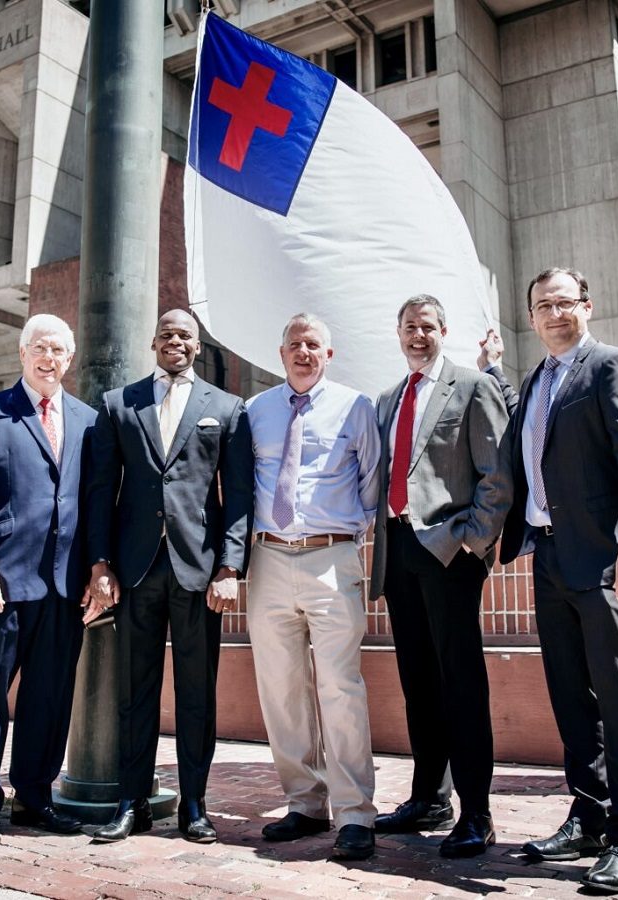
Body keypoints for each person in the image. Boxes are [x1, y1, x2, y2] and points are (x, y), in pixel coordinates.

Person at [501, 267, 618, 894]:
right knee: (571, 697)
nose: (555, 313)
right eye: (543, 305)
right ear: (532, 316)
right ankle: (589, 817)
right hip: (548, 556)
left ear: (587, 306)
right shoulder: (536, 380)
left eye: (565, 303)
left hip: (603, 559)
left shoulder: (612, 366)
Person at [85, 309, 254, 845]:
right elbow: (100, 491)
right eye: (166, 334)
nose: (174, 341)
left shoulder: (226, 409)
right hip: (134, 570)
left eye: (184, 335)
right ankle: (131, 802)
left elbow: (240, 497)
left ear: (197, 347)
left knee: (197, 693)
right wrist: (100, 563)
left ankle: (195, 805)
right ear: (152, 342)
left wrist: (229, 566)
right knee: (134, 692)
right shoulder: (118, 404)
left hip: (198, 571)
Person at [369, 295, 511, 858]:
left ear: (443, 331)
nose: (418, 336)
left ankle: (476, 810)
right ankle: (428, 796)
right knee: (418, 681)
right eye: (409, 327)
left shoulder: (473, 386)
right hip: (397, 550)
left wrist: (472, 540)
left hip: (447, 550)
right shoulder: (387, 398)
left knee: (461, 682)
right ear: (398, 332)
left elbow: (497, 474)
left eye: (427, 327)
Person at [0, 313, 96, 848]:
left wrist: (96, 572)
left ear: (69, 359)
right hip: (1, 582)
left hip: (64, 586)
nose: (49, 358)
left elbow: (93, 501)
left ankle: (34, 798)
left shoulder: (87, 420)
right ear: (22, 353)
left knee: (49, 697)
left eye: (58, 350)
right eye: (39, 347)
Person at [246, 314, 381, 861]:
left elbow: (372, 481)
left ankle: (355, 814)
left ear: (330, 354)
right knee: (280, 688)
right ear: (281, 354)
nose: (304, 352)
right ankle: (304, 803)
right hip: (269, 559)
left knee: (340, 688)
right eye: (295, 345)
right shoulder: (256, 411)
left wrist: (345, 531)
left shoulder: (356, 407)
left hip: (331, 557)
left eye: (314, 345)